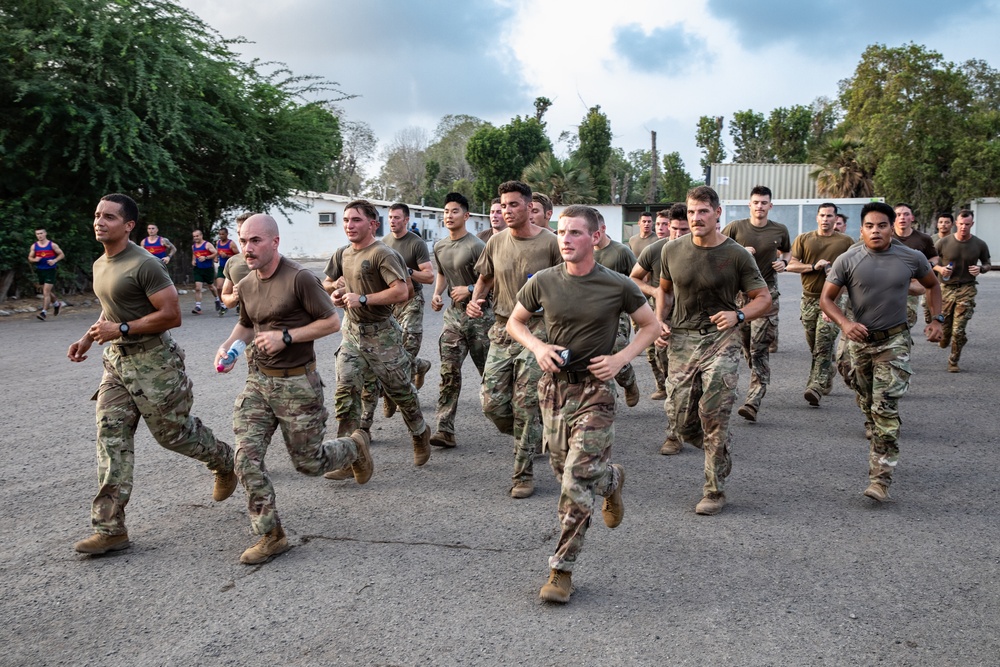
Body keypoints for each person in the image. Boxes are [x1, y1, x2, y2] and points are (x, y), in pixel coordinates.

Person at [67, 193, 236, 555]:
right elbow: (110, 309)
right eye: (97, 215)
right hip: (117, 364)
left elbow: (172, 314)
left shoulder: (146, 264)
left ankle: (224, 460)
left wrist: (123, 329)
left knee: (172, 435)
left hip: (154, 362)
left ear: (128, 225)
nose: (99, 221)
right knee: (110, 438)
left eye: (109, 217)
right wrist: (88, 337)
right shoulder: (101, 264)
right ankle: (110, 528)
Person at [507, 205, 658, 604]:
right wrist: (538, 346)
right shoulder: (543, 281)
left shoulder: (617, 284)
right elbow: (515, 322)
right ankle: (610, 480)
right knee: (566, 472)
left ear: (594, 237)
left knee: (574, 482)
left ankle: (561, 571)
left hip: (596, 391)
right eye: (561, 232)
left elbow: (651, 325)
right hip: (554, 390)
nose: (566, 239)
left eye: (575, 233)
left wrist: (621, 359)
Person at [217, 214, 371, 564]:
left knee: (309, 464)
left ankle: (354, 446)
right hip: (258, 382)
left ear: (274, 242)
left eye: (255, 240)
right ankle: (272, 535)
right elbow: (245, 325)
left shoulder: (299, 278)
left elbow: (332, 321)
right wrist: (228, 347)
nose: (248, 248)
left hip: (297, 382)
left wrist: (286, 336)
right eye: (243, 241)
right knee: (245, 457)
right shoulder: (246, 280)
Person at [656, 186, 770, 516]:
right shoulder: (671, 250)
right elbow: (664, 290)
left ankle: (714, 489)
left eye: (703, 211)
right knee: (679, 418)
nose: (696, 218)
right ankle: (716, 450)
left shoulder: (736, 254)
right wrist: (659, 321)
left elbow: (763, 299)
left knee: (714, 412)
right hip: (682, 339)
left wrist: (739, 314)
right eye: (691, 212)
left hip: (723, 339)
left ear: (717, 213)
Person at [820, 202, 943, 502]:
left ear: (892, 228)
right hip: (859, 342)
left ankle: (880, 479)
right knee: (865, 398)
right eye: (870, 226)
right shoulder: (847, 259)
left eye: (882, 225)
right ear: (861, 230)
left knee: (885, 408)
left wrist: (937, 320)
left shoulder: (911, 257)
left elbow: (933, 285)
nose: (876, 231)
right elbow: (827, 299)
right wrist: (846, 324)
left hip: (895, 341)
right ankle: (873, 421)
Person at [468, 180, 562, 499]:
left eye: (514, 205)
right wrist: (475, 299)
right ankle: (532, 433)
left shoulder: (551, 243)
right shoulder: (495, 242)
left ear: (528, 207)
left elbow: (569, 284)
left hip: (539, 330)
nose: (507, 211)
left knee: (525, 403)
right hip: (502, 328)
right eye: (503, 205)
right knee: (492, 403)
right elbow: (486, 276)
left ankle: (522, 474)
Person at [323, 200, 431, 467]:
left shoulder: (383, 254)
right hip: (351, 335)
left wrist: (362, 299)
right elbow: (327, 281)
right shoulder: (342, 253)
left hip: (382, 335)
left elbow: (401, 291)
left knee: (400, 391)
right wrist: (335, 292)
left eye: (356, 220)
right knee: (346, 392)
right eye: (346, 220)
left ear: (372, 224)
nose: (350, 225)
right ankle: (349, 458)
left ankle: (419, 432)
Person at [428, 193, 493, 448]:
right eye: (445, 211)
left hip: (480, 317)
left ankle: (527, 427)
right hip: (454, 316)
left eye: (454, 211)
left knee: (491, 376)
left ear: (466, 216)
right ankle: (444, 429)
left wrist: (469, 288)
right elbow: (442, 274)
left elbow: (491, 279)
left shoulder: (477, 246)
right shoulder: (440, 246)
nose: (449, 216)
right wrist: (436, 294)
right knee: (449, 372)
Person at [722, 185, 791, 423]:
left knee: (758, 349)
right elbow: (718, 253)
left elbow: (787, 253)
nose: (760, 206)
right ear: (749, 204)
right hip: (739, 296)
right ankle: (758, 375)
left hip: (766, 294)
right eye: (756, 202)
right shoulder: (735, 228)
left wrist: (784, 262)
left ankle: (753, 400)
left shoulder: (779, 230)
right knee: (745, 347)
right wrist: (739, 251)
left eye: (764, 203)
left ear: (770, 206)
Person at [786, 203, 853, 406]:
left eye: (829, 215)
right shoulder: (804, 239)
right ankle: (828, 369)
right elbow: (791, 265)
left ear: (835, 219)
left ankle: (814, 386)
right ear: (817, 217)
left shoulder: (846, 242)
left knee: (823, 342)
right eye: (822, 215)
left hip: (833, 299)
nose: (825, 219)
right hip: (809, 298)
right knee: (814, 343)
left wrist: (833, 302)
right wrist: (813, 266)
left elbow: (851, 272)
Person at [374, 203, 435, 416]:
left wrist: (408, 270)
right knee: (390, 352)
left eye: (397, 217)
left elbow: (429, 276)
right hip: (391, 302)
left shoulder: (416, 244)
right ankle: (419, 366)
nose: (392, 220)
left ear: (406, 220)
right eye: (390, 217)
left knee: (408, 346)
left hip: (412, 300)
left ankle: (394, 396)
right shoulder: (384, 243)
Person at [628, 208, 678, 400]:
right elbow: (635, 276)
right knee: (654, 351)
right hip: (650, 303)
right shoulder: (639, 244)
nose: (661, 227)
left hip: (679, 309)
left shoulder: (661, 244)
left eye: (665, 224)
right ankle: (663, 385)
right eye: (660, 224)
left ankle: (674, 388)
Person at [592, 211, 641, 407]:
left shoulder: (621, 252)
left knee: (616, 348)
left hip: (616, 312)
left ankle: (628, 381)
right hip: (589, 313)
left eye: (594, 230)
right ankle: (602, 397)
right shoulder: (584, 251)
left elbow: (638, 280)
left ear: (602, 229)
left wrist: (638, 312)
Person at [933, 209, 991, 372]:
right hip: (946, 288)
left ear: (972, 224)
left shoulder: (979, 244)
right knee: (945, 330)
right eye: (961, 224)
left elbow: (987, 263)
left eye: (967, 224)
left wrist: (981, 269)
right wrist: (940, 268)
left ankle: (953, 361)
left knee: (959, 329)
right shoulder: (943, 243)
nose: (964, 227)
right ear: (956, 224)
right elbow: (929, 262)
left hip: (967, 288)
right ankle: (946, 339)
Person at [892, 203, 938, 328]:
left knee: (906, 321)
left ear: (912, 218)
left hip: (911, 287)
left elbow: (934, 257)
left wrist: (927, 266)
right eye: (898, 215)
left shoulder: (923, 239)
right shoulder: (886, 237)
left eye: (906, 214)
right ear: (893, 218)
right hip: (887, 287)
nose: (902, 218)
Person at [28, 227, 65, 320]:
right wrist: (34, 259)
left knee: (46, 292)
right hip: (40, 270)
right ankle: (56, 304)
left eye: (41, 233)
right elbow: (30, 258)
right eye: (37, 234)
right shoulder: (34, 246)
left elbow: (61, 254)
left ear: (45, 234)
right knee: (45, 290)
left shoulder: (52, 245)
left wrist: (54, 260)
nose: (39, 235)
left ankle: (43, 313)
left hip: (50, 270)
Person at [220, 213, 253, 311]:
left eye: (246, 232)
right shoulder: (233, 262)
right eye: (239, 233)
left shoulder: (279, 264)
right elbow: (226, 297)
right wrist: (234, 297)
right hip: (246, 323)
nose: (241, 237)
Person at [190, 229, 219, 314]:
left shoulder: (207, 245)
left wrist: (205, 257)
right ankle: (198, 307)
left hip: (208, 269)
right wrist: (193, 260)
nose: (196, 238)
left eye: (197, 236)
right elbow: (194, 254)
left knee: (211, 287)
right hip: (198, 269)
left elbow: (216, 253)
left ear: (201, 235)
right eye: (194, 236)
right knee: (198, 288)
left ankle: (217, 299)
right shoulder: (193, 246)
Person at [213, 227, 240, 317]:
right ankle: (223, 306)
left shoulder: (231, 244)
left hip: (232, 267)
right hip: (222, 268)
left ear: (226, 234)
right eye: (219, 234)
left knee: (234, 287)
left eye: (222, 234)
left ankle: (239, 304)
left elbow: (238, 255)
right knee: (219, 287)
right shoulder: (218, 243)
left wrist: (227, 255)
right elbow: (217, 252)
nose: (221, 236)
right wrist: (216, 257)